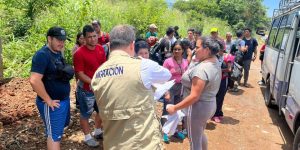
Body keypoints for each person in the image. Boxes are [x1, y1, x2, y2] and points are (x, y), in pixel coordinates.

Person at [91, 25, 171, 150]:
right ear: (132, 45)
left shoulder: (98, 74)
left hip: (112, 144)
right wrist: (140, 59)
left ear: (110, 45)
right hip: (142, 145)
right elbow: (167, 75)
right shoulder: (142, 66)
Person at [167, 36, 222, 150]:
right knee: (200, 134)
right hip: (209, 104)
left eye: (197, 47)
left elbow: (194, 96)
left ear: (206, 50)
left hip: (197, 108)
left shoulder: (202, 70)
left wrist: (175, 108)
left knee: (194, 141)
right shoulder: (214, 61)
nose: (194, 50)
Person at [29, 26, 74, 150]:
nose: (62, 43)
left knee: (58, 131)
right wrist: (48, 100)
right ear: (49, 39)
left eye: (63, 40)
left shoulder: (58, 52)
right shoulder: (42, 55)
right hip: (52, 104)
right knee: (54, 136)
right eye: (59, 40)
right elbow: (34, 80)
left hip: (63, 100)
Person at [73, 25, 107, 147]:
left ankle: (97, 130)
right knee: (85, 113)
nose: (93, 39)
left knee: (101, 110)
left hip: (99, 88)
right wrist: (93, 82)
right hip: (86, 90)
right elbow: (80, 74)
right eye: (90, 37)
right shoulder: (79, 53)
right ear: (84, 38)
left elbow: (103, 67)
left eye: (94, 36)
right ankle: (87, 137)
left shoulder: (100, 49)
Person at [162, 40, 189, 143]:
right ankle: (164, 132)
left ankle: (174, 131)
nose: (176, 51)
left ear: (183, 51)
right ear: (172, 50)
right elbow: (163, 78)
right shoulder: (167, 61)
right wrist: (166, 92)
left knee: (178, 110)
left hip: (181, 88)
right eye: (175, 49)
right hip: (170, 87)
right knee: (167, 109)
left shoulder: (185, 61)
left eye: (179, 49)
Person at [212, 49, 234, 123]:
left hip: (223, 80)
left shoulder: (227, 57)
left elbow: (229, 69)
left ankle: (217, 114)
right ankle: (215, 113)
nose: (219, 51)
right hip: (215, 79)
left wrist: (219, 70)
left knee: (220, 97)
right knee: (214, 96)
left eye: (221, 49)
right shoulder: (214, 57)